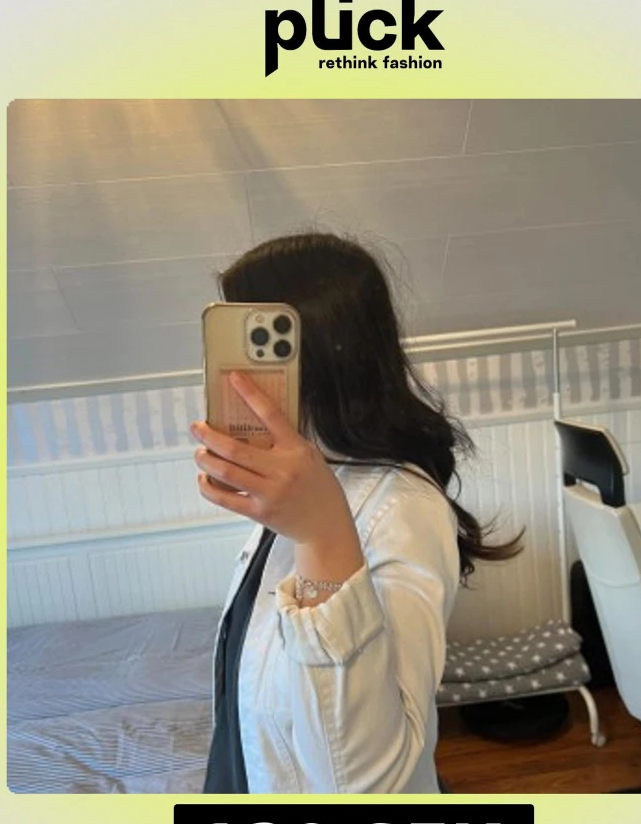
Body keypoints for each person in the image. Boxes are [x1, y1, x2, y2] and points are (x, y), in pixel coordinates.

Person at [194, 232, 523, 794]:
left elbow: (368, 785)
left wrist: (322, 537)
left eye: (252, 347)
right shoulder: (309, 483)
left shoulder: (402, 511)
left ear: (318, 354)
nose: (229, 373)